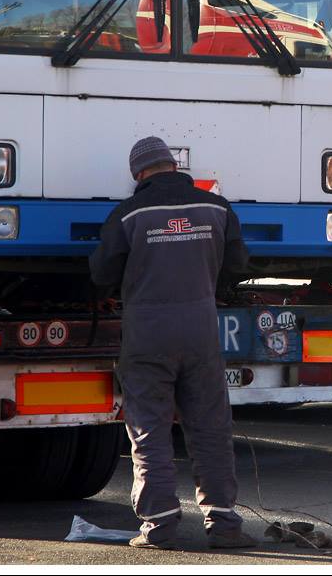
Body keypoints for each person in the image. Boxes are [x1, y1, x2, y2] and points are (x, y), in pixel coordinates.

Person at [90, 136, 256, 550]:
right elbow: (238, 265)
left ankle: (160, 526)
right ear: (172, 166)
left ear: (138, 174)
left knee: (149, 429)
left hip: (147, 335)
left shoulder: (128, 214)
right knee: (211, 429)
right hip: (200, 332)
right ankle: (224, 526)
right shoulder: (216, 208)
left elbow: (100, 274)